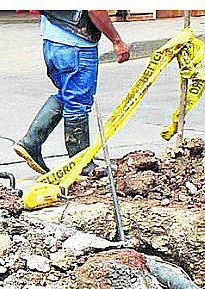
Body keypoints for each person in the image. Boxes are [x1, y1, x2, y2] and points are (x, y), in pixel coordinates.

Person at [13, 10, 130, 176]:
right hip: (75, 45)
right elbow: (94, 9)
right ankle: (81, 163)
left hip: (52, 43)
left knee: (67, 95)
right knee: (77, 104)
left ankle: (31, 141)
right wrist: (116, 41)